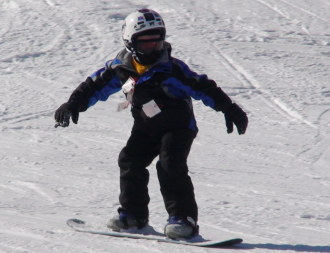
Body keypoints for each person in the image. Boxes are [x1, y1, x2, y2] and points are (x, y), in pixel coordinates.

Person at [54, 8, 248, 239]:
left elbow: (203, 86)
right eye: (145, 44)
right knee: (129, 160)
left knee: (169, 164)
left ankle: (183, 219)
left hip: (178, 126)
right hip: (145, 126)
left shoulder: (171, 69)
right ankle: (133, 215)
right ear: (130, 43)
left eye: (157, 43)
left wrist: (229, 108)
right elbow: (93, 86)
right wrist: (73, 104)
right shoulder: (120, 68)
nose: (152, 49)